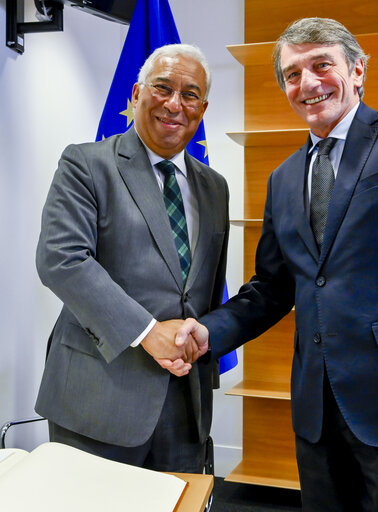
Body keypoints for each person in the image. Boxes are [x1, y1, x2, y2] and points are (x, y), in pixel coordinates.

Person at [168, 17, 378, 511]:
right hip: (318, 418)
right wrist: (211, 332)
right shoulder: (282, 178)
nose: (308, 83)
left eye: (322, 65)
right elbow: (272, 288)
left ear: (358, 70)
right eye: (292, 75)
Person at [35, 43, 228, 472]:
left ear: (203, 107)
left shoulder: (215, 187)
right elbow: (61, 259)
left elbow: (206, 289)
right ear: (138, 93)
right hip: (99, 398)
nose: (175, 104)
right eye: (162, 88)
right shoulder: (86, 164)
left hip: (185, 404)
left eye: (190, 94)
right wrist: (147, 331)